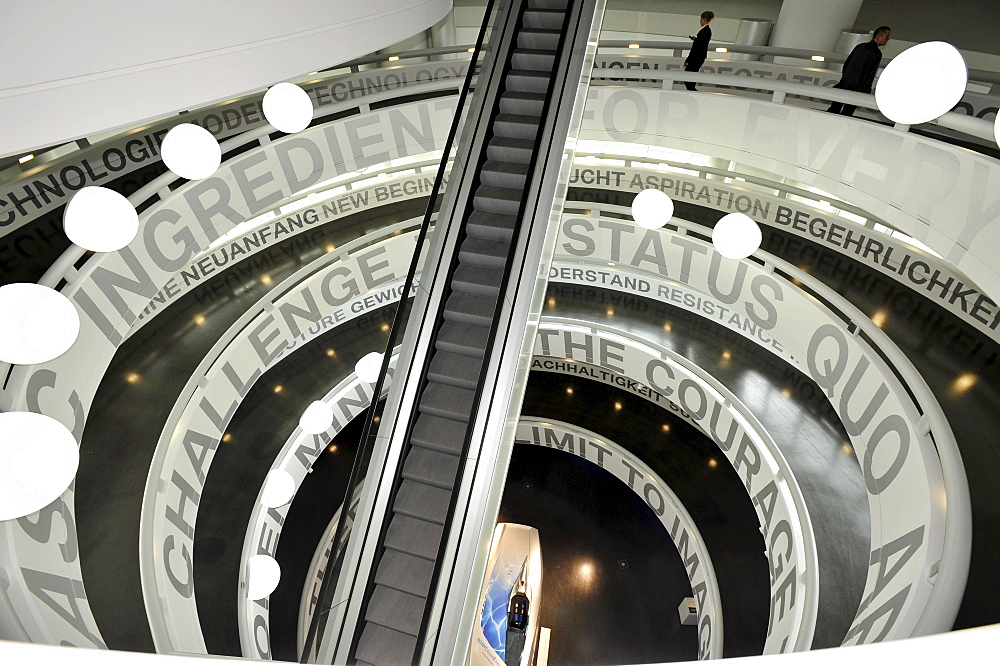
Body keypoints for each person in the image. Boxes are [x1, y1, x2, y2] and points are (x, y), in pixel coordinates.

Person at [827, 26, 891, 116]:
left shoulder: (860, 46)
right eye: (887, 36)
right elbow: (869, 73)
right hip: (858, 88)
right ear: (878, 36)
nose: (888, 39)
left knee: (834, 109)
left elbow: (847, 64)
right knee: (847, 113)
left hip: (845, 84)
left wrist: (845, 79)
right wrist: (866, 89)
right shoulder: (876, 53)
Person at [684, 11, 715, 91]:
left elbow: (696, 47)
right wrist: (696, 39)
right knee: (691, 76)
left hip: (696, 57)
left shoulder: (704, 31)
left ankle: (692, 91)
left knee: (687, 75)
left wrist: (688, 59)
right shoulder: (707, 31)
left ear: (704, 19)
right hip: (699, 57)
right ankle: (691, 90)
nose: (700, 21)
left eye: (701, 19)